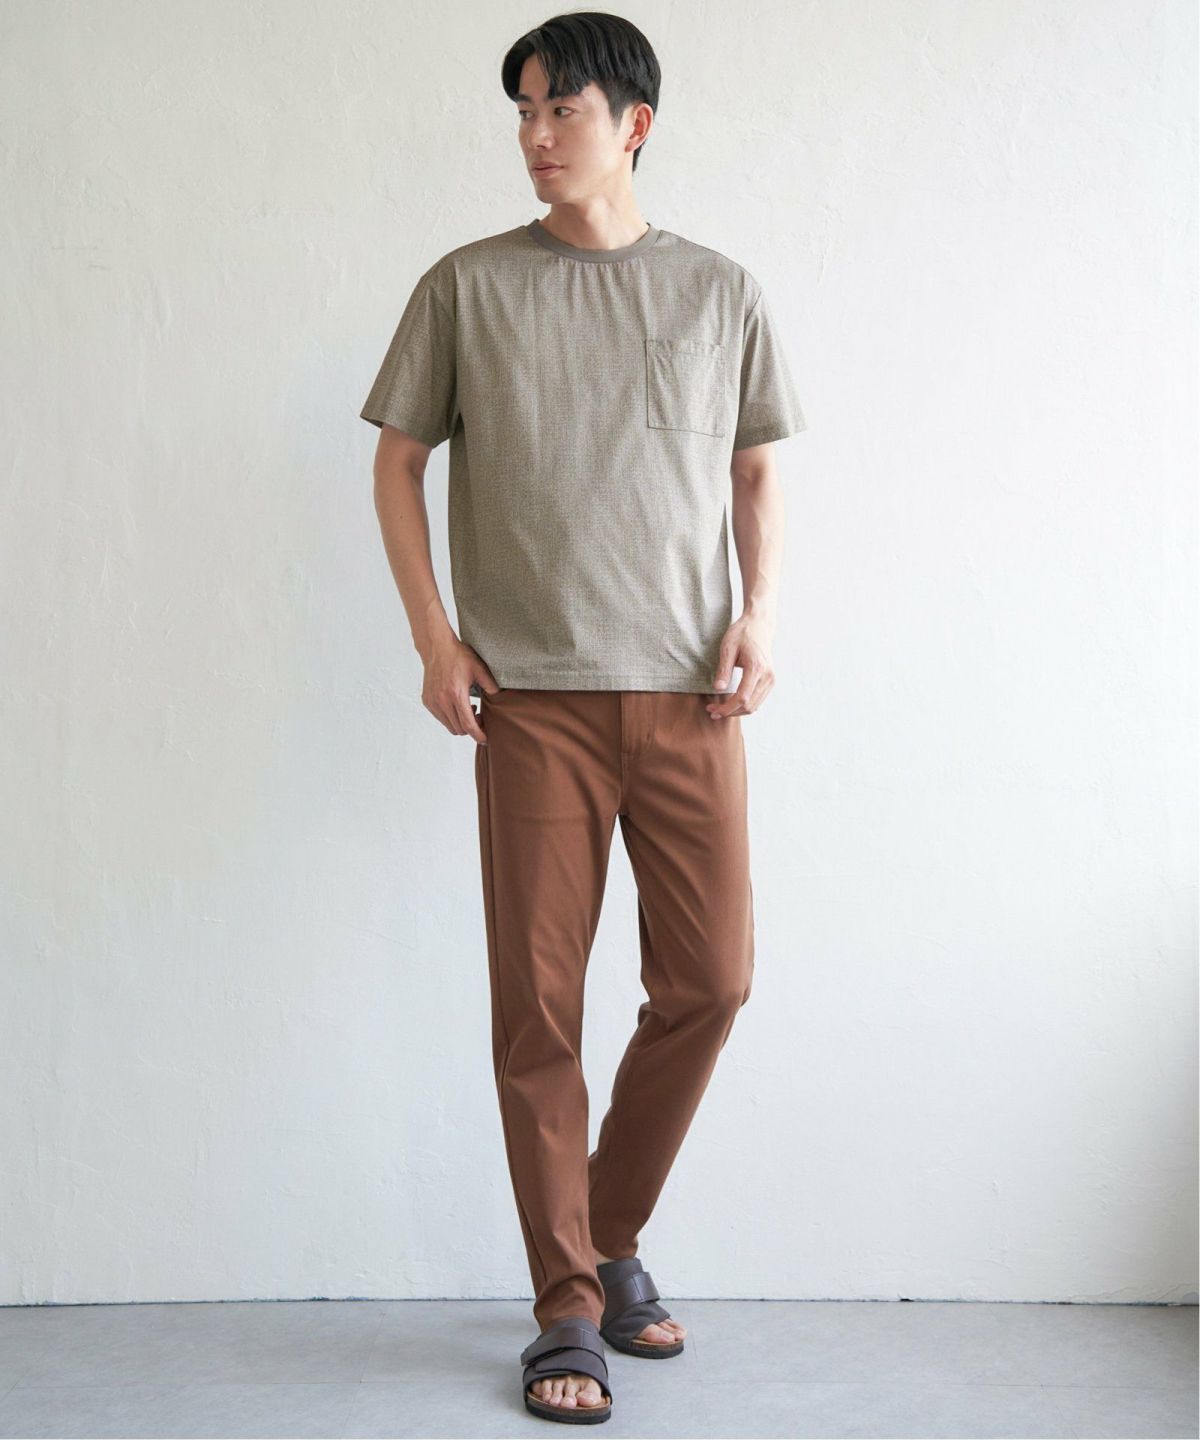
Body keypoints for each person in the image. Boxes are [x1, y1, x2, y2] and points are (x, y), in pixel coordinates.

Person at [359, 11, 807, 1424]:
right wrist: (435, 639)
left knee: (713, 981)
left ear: (635, 126)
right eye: (524, 113)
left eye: (562, 110)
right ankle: (568, 1305)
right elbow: (397, 465)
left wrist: (761, 615)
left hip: (690, 696)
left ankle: (605, 1234)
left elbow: (754, 472)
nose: (536, 135)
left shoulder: (720, 291)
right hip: (533, 701)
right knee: (538, 1011)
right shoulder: (467, 286)